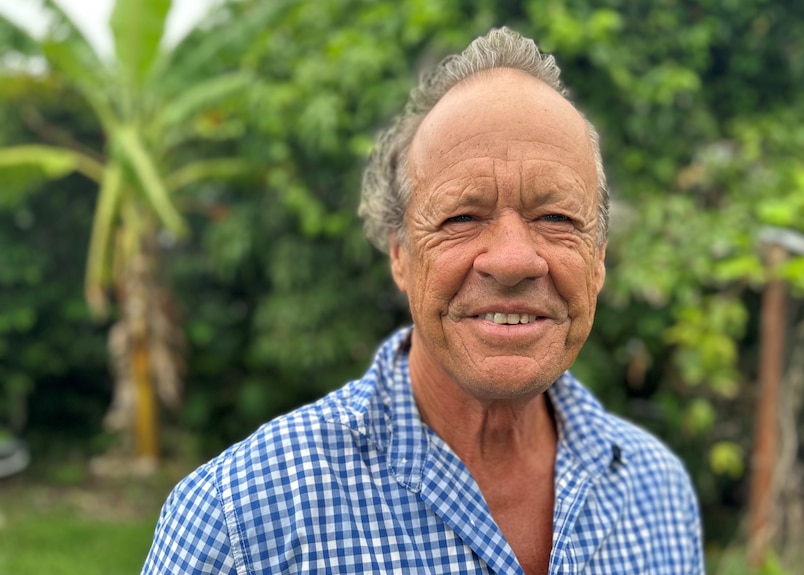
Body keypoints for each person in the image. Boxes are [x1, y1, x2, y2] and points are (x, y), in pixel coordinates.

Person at [142, 28, 704, 575]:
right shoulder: (238, 521)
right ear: (401, 257)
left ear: (599, 257)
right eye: (462, 217)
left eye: (556, 218)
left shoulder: (657, 493)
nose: (513, 260)